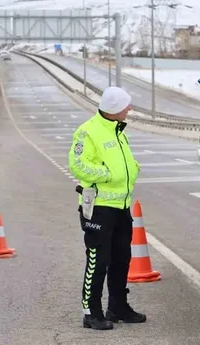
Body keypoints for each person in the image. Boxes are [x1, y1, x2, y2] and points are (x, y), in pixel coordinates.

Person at [69, 86, 146, 331]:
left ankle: (118, 307)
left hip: (120, 206)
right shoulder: (88, 131)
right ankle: (91, 312)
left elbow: (124, 162)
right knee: (98, 259)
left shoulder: (118, 130)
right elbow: (78, 165)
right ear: (114, 109)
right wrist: (108, 174)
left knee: (122, 258)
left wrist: (133, 168)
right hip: (99, 207)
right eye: (126, 105)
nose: (130, 109)